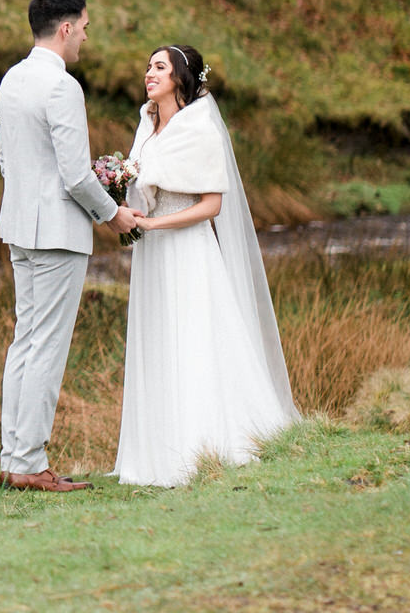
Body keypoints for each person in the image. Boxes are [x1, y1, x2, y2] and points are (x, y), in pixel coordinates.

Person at [113, 44, 298, 487]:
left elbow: (211, 205)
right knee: (157, 336)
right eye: (147, 67)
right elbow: (142, 191)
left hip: (187, 250)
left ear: (180, 77)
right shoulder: (147, 126)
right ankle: (155, 454)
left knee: (193, 338)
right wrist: (123, 200)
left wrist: (156, 225)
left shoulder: (200, 128)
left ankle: (203, 446)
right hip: (152, 254)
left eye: (159, 67)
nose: (148, 73)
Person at [0, 0, 144, 492]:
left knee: (25, 343)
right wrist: (114, 215)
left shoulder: (12, 80)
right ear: (64, 29)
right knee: (47, 348)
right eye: (83, 27)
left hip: (19, 225)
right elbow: (77, 176)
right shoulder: (63, 86)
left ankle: (13, 458)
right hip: (57, 233)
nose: (84, 36)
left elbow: (6, 157)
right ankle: (31, 464)